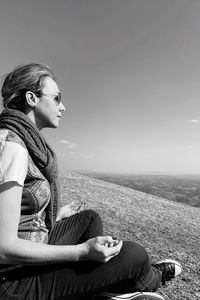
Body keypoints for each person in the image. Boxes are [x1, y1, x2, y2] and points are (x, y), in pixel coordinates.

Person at [0, 63, 182, 300]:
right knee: (135, 255)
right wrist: (82, 252)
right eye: (56, 98)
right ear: (32, 98)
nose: (62, 107)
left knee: (89, 218)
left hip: (29, 248)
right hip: (13, 281)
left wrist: (53, 215)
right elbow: (4, 248)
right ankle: (152, 278)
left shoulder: (24, 141)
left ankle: (93, 286)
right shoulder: (11, 147)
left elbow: (15, 214)